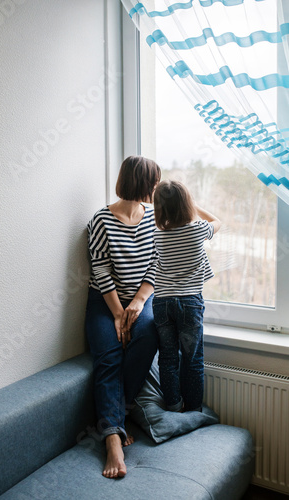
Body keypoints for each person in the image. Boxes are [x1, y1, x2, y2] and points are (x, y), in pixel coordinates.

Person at [85, 156, 161, 479]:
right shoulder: (101, 220)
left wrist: (139, 303)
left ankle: (118, 412)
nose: (157, 188)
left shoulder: (156, 218)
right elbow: (100, 269)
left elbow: (158, 261)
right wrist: (118, 313)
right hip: (105, 302)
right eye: (154, 182)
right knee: (110, 354)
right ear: (144, 184)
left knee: (148, 335)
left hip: (141, 299)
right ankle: (113, 439)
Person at [152, 179, 221, 413]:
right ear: (186, 204)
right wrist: (196, 206)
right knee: (192, 360)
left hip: (161, 302)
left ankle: (173, 405)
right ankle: (192, 410)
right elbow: (217, 222)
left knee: (167, 358)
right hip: (190, 302)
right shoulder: (198, 229)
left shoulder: (157, 234)